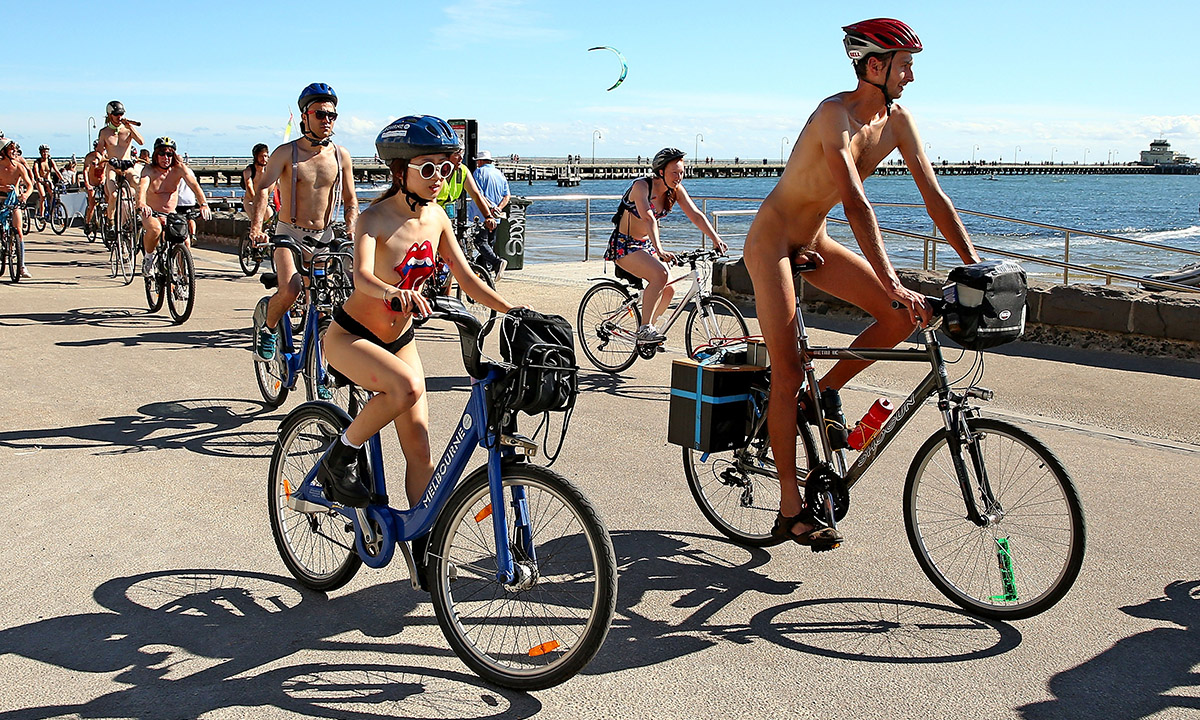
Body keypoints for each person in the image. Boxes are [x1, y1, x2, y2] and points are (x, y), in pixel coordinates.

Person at [742, 18, 980, 549]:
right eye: (905, 65)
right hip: (773, 240)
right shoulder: (835, 116)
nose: (911, 76)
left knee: (899, 319)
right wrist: (892, 279)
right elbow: (854, 201)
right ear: (875, 65)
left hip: (815, 239)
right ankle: (790, 509)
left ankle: (824, 392)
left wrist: (975, 264)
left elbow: (934, 197)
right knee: (788, 372)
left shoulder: (898, 121)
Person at [317, 114, 516, 517]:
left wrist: (514, 310)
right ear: (399, 171)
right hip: (352, 337)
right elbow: (362, 277)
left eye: (445, 169)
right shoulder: (374, 218)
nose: (438, 178)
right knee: (406, 387)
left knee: (421, 452)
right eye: (427, 169)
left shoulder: (437, 217)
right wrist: (392, 291)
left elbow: (467, 278)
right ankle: (338, 458)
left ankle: (425, 542)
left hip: (400, 340)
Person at [249, 83, 359, 361]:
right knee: (291, 289)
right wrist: (257, 228)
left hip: (324, 236)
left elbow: (350, 199)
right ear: (305, 117)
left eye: (332, 115)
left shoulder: (341, 155)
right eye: (320, 114)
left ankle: (318, 362)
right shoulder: (286, 152)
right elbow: (263, 189)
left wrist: (352, 228)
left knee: (327, 300)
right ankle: (268, 328)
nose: (327, 120)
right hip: (290, 234)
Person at [604, 147, 726, 343]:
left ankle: (649, 332)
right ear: (661, 172)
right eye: (674, 173)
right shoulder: (641, 186)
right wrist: (660, 250)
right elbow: (648, 218)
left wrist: (715, 238)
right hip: (624, 245)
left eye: (682, 173)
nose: (679, 178)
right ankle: (644, 329)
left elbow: (695, 215)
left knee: (669, 290)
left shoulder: (675, 191)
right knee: (660, 275)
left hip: (646, 244)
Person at [135, 137, 211, 274]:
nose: (166, 158)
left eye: (169, 154)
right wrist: (141, 204)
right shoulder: (149, 170)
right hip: (151, 213)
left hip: (171, 214)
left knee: (185, 241)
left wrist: (203, 204)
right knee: (155, 229)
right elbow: (142, 187)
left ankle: (183, 276)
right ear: (156, 155)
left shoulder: (178, 169)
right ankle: (148, 258)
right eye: (162, 154)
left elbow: (194, 185)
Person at [439, 148, 500, 271]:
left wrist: (488, 216)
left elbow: (476, 195)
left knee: (452, 256)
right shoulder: (437, 171)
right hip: (433, 213)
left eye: (461, 154)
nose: (461, 158)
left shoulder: (462, 171)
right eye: (457, 154)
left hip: (449, 215)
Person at [96, 100, 144, 241]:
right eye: (116, 114)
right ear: (110, 115)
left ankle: (138, 212)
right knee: (114, 195)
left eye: (121, 114)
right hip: (112, 166)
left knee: (138, 184)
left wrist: (130, 127)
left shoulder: (127, 130)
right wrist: (99, 159)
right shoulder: (104, 132)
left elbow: (141, 142)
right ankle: (110, 221)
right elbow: (99, 150)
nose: (119, 117)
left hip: (127, 166)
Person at [464, 150, 509, 278]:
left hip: (481, 215)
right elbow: (507, 196)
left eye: (477, 161)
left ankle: (497, 262)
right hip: (496, 216)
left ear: (480, 161)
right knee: (489, 244)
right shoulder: (499, 174)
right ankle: (486, 274)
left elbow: (479, 194)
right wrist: (498, 208)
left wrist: (490, 208)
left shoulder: (478, 172)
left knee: (480, 242)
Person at [0, 138, 35, 277]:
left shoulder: (19, 167)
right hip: (0, 200)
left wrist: (25, 195)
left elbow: (29, 184)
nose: (14, 151)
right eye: (11, 149)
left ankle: (21, 266)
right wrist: (2, 188)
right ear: (3, 151)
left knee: (19, 231)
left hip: (13, 202)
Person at [241, 143, 278, 220]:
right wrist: (256, 201)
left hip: (264, 201)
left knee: (270, 221)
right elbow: (249, 186)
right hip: (251, 201)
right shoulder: (249, 171)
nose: (264, 159)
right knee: (257, 219)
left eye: (265, 156)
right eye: (261, 156)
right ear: (256, 157)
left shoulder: (270, 170)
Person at [32, 145, 63, 218]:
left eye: (46, 152)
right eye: (43, 152)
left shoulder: (50, 161)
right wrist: (38, 177)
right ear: (40, 153)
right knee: (43, 196)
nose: (45, 154)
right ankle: (41, 215)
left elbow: (57, 171)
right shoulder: (37, 162)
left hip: (48, 180)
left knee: (54, 195)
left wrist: (62, 179)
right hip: (40, 181)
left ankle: (51, 210)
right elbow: (36, 171)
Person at [82, 140, 106, 233]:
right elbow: (85, 171)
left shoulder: (106, 156)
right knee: (91, 204)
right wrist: (87, 184)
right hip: (92, 183)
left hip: (102, 182)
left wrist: (105, 179)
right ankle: (88, 223)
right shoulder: (90, 157)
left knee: (108, 201)